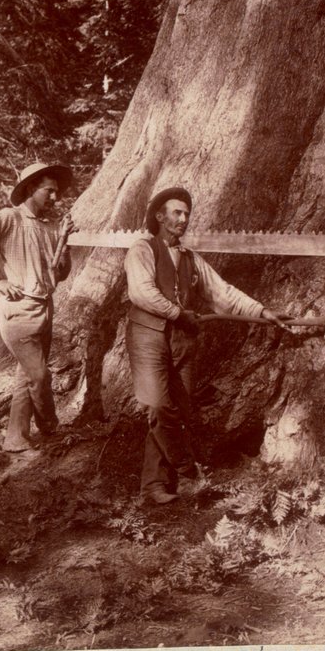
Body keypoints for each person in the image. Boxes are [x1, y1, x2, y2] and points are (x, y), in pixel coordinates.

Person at [125, 186, 295, 506]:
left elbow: (223, 293)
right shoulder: (142, 249)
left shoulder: (190, 259)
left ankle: (154, 486)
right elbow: (141, 293)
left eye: (187, 213)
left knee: (176, 410)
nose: (183, 219)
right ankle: (188, 471)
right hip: (148, 336)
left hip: (183, 340)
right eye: (177, 212)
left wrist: (262, 312)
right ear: (159, 216)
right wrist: (177, 312)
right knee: (157, 406)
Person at [0, 161, 74, 453]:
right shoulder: (9, 218)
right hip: (18, 311)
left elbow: (60, 274)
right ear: (30, 189)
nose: (55, 198)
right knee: (39, 375)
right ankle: (51, 429)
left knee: (26, 375)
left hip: (45, 307)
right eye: (49, 191)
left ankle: (16, 438)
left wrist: (63, 243)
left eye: (57, 193)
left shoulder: (51, 227)